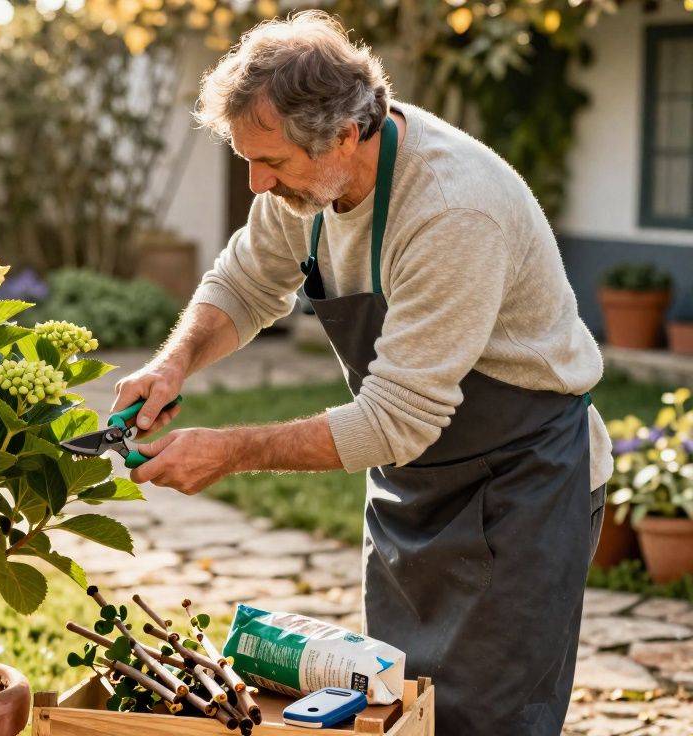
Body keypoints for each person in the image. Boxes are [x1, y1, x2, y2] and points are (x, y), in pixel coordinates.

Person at [111, 11, 612, 735]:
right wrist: (173, 362)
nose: (255, 183)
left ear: (346, 135)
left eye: (271, 163)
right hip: (414, 486)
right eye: (245, 159)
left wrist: (231, 452)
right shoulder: (307, 185)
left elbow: (394, 419)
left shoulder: (450, 210)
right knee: (400, 711)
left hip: (521, 485)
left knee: (488, 721)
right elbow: (246, 283)